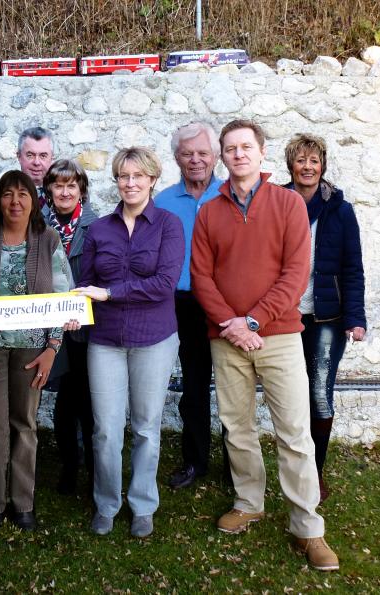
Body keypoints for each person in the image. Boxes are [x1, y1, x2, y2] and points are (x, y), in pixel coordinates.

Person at [191, 119, 339, 571]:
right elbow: (201, 276)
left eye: (245, 147)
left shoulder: (288, 203)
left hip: (278, 336)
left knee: (294, 433)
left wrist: (253, 319)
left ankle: (307, 526)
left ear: (261, 152)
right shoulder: (209, 211)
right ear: (223, 156)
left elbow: (296, 273)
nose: (238, 154)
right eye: (230, 148)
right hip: (227, 339)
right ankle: (248, 501)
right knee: (237, 427)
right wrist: (232, 325)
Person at [0, 170, 74, 532]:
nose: (15, 201)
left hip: (32, 351)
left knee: (25, 425)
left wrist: (53, 347)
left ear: (34, 200)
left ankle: (23, 503)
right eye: (8, 194)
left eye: (23, 194)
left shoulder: (48, 240)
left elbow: (63, 298)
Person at [74, 147, 184, 539]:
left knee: (146, 427)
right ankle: (106, 502)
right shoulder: (100, 229)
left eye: (139, 176)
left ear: (153, 179)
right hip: (104, 340)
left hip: (153, 339)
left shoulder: (169, 225)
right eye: (124, 176)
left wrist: (109, 294)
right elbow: (85, 284)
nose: (131, 183)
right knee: (105, 429)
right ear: (116, 181)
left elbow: (163, 285)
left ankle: (142, 504)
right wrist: (76, 307)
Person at [283, 133, 366, 503]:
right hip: (283, 316)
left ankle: (314, 473)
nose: (308, 167)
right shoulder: (277, 202)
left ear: (323, 165)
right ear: (291, 165)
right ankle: (292, 466)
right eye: (301, 160)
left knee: (318, 395)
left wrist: (356, 317)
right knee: (288, 397)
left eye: (314, 161)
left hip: (325, 318)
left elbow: (353, 268)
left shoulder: (340, 209)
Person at [155, 122, 226, 490]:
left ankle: (236, 466)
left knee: (233, 387)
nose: (195, 160)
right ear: (176, 158)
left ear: (216, 156)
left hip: (226, 304)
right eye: (187, 153)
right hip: (180, 304)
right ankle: (195, 461)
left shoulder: (232, 196)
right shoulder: (163, 201)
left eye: (202, 152)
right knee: (194, 387)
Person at [41, 159, 98, 495]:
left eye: (71, 186)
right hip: (51, 329)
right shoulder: (38, 227)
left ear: (81, 190)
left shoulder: (98, 226)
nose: (64, 192)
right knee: (64, 402)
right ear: (49, 189)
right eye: (58, 185)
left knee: (89, 405)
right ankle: (68, 465)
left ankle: (94, 472)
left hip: (86, 329)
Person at [17, 127, 54, 207]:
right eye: (30, 155)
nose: (36, 162)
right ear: (19, 156)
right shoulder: (5, 191)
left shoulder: (68, 193)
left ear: (51, 158)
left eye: (43, 156)